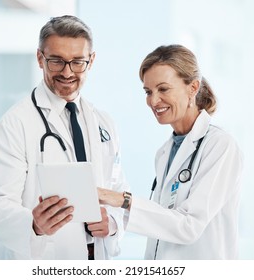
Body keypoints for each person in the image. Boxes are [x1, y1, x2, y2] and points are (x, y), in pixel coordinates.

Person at [0, 15, 128, 260]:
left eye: (77, 62)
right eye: (56, 61)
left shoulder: (103, 122)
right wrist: (34, 224)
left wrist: (112, 223)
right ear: (40, 58)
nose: (67, 72)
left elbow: (118, 189)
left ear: (91, 61)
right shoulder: (15, 124)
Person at [98, 44, 243, 259]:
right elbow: (162, 224)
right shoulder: (164, 153)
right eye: (148, 91)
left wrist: (122, 200)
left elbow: (189, 226)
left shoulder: (220, 146)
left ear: (193, 88)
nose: (153, 101)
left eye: (163, 89)